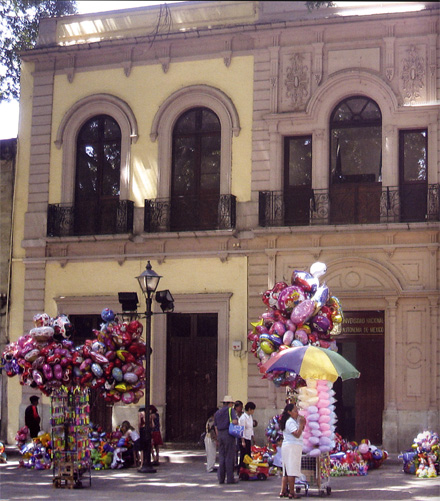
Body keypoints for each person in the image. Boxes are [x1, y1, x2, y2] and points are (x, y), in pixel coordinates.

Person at [279, 403, 306, 499]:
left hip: (291, 446)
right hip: (292, 446)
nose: (297, 412)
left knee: (286, 470)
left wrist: (302, 424)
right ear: (289, 412)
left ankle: (283, 491)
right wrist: (301, 424)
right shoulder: (289, 422)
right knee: (291, 470)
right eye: (295, 411)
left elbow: (300, 430)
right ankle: (291, 492)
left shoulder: (292, 421)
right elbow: (297, 434)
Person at [214, 395, 238, 484]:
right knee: (229, 456)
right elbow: (234, 421)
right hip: (228, 434)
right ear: (230, 403)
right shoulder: (230, 410)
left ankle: (221, 478)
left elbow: (215, 426)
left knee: (221, 456)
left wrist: (218, 437)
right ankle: (230, 478)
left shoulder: (217, 412)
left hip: (220, 434)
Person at [238, 401, 256, 469]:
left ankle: (247, 469)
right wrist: (242, 441)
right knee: (243, 455)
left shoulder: (250, 417)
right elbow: (242, 430)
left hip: (248, 438)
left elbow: (251, 428)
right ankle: (241, 469)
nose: (253, 411)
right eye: (252, 410)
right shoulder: (243, 418)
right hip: (244, 438)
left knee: (248, 455)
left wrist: (253, 438)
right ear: (249, 409)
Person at [204, 408, 218, 473]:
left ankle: (211, 466)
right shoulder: (211, 420)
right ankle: (210, 467)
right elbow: (212, 430)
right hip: (210, 438)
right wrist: (216, 439)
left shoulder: (212, 420)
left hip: (210, 438)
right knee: (211, 453)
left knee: (212, 453)